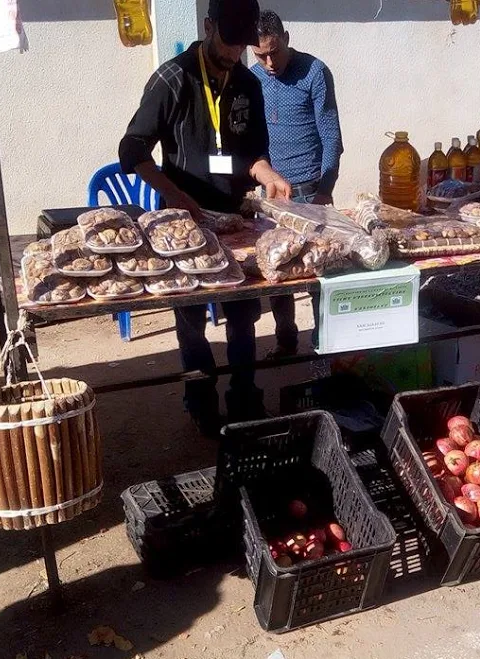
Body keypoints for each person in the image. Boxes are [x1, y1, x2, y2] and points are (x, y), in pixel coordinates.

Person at [119, 0, 291, 435]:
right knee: (192, 320)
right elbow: (133, 149)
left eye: (242, 44)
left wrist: (268, 174)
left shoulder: (248, 83)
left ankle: (245, 398)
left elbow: (253, 154)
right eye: (228, 41)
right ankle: (200, 400)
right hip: (183, 223)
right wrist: (174, 195)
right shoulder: (174, 78)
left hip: (234, 221)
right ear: (209, 26)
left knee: (243, 315)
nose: (234, 53)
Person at [251, 9, 344, 356]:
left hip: (311, 192)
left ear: (286, 38)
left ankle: (324, 344)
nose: (269, 62)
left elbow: (331, 136)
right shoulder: (252, 79)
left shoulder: (314, 72)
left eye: (274, 52)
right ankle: (285, 339)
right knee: (276, 269)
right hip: (272, 195)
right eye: (260, 55)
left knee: (319, 272)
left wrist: (325, 190)